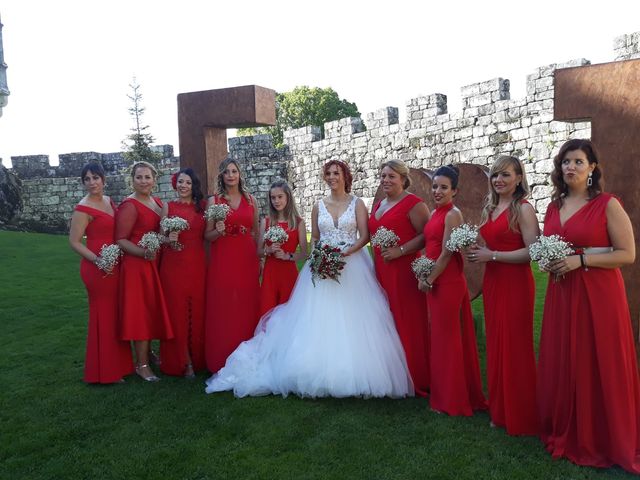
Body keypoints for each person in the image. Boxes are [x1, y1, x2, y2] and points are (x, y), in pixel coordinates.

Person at [205, 160, 413, 398]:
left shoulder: (357, 204)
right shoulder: (318, 205)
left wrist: (347, 252)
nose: (332, 177)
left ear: (345, 176)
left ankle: (357, 369)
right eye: (328, 173)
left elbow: (364, 236)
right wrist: (322, 257)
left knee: (356, 318)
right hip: (323, 263)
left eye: (336, 173)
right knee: (318, 318)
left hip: (353, 264)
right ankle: (315, 368)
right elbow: (315, 240)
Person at [537, 139, 640, 473]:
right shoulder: (554, 207)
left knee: (600, 359)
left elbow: (627, 254)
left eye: (579, 162)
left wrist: (579, 261)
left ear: (593, 168)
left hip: (598, 293)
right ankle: (570, 427)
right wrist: (550, 260)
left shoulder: (608, 204)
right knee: (566, 357)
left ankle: (605, 435)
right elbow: (551, 244)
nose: (571, 168)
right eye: (566, 162)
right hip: (562, 292)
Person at [465, 156, 539, 435]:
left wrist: (491, 255)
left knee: (515, 347)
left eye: (506, 175)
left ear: (519, 178)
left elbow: (532, 252)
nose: (499, 180)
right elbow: (490, 242)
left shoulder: (523, 209)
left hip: (516, 283)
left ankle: (521, 414)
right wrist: (476, 247)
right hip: (494, 282)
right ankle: (500, 410)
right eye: (495, 175)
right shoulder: (492, 208)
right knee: (497, 345)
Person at [420, 164, 487, 416]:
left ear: (455, 191)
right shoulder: (436, 212)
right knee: (439, 339)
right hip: (437, 278)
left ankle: (452, 401)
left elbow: (448, 252)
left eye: (443, 187)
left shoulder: (452, 215)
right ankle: (445, 394)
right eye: (435, 186)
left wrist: (429, 279)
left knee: (447, 341)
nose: (437, 191)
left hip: (447, 282)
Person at [368, 159, 430, 397]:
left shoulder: (414, 204)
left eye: (391, 176)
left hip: (404, 270)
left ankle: (416, 376)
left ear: (403, 179)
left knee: (408, 321)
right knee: (387, 320)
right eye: (383, 176)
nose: (386, 180)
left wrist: (400, 250)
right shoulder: (379, 204)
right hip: (382, 270)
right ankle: (392, 374)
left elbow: (426, 235)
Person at [68, 162, 133, 384]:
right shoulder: (82, 208)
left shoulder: (108, 201)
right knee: (103, 316)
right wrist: (98, 260)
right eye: (87, 179)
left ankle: (121, 365)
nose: (92, 182)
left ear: (103, 180)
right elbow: (74, 242)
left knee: (116, 315)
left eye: (95, 177)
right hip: (96, 267)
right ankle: (105, 371)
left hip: (115, 263)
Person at [115, 161, 173, 382]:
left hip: (153, 264)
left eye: (147, 177)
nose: (143, 181)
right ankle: (142, 365)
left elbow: (159, 232)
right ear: (133, 179)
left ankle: (148, 353)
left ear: (154, 179)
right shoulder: (129, 205)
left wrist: (169, 239)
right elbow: (120, 239)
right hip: (136, 267)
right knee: (140, 315)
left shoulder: (156, 201)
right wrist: (142, 253)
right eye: (139, 177)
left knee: (150, 311)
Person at [204, 158, 260, 373]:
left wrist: (260, 259)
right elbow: (207, 236)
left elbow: (255, 232)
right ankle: (222, 357)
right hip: (223, 257)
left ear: (239, 174)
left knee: (246, 304)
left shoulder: (251, 199)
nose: (230, 175)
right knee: (225, 306)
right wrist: (218, 230)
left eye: (234, 171)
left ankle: (248, 355)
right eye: (226, 172)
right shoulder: (215, 201)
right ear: (221, 175)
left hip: (246, 257)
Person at [159, 168, 207, 378]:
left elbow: (209, 235)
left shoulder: (203, 208)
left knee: (197, 311)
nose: (183, 186)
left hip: (197, 263)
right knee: (177, 312)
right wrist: (170, 237)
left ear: (193, 185)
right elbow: (159, 238)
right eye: (180, 182)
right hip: (173, 264)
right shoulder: (167, 207)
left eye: (187, 182)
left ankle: (198, 359)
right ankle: (183, 361)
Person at [258, 179, 308, 316]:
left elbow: (304, 254)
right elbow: (258, 252)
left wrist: (287, 256)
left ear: (288, 197)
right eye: (273, 198)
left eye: (280, 197)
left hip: (288, 274)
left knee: (289, 315)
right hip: (270, 275)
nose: (276, 201)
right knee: (267, 313)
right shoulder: (266, 222)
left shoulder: (298, 223)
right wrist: (268, 250)